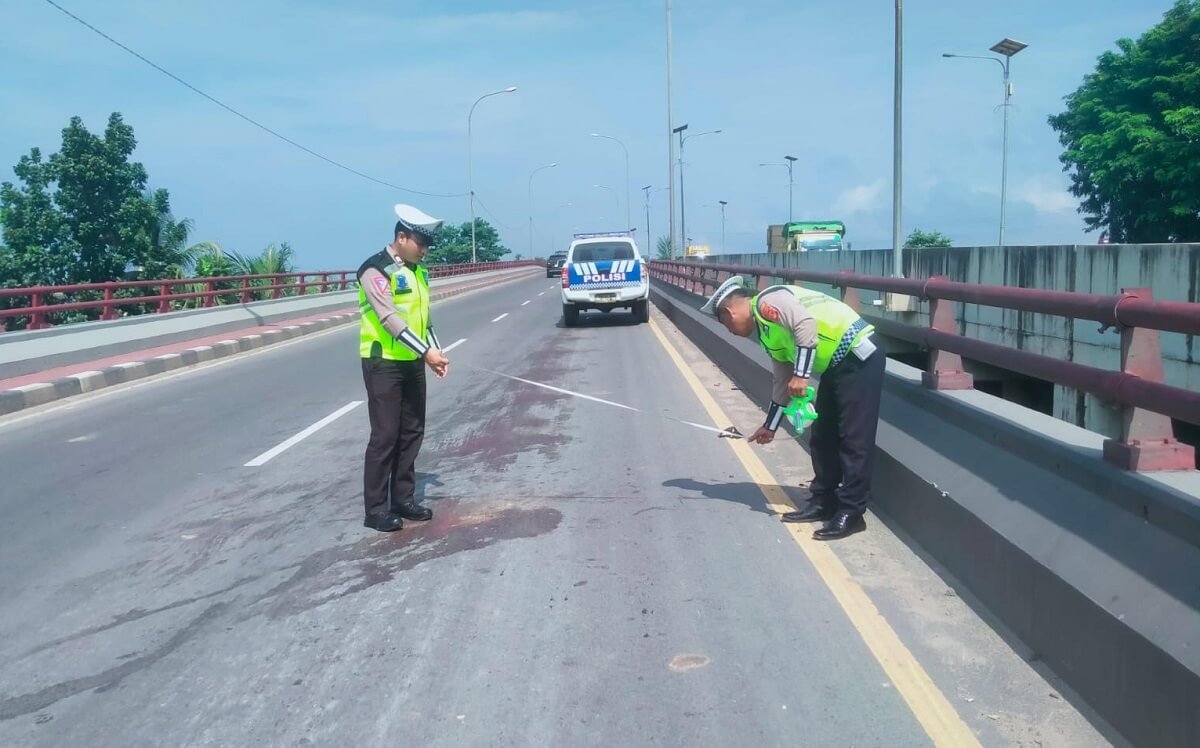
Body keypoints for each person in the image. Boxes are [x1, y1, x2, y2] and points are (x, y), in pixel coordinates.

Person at [701, 275, 885, 540]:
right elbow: (782, 380)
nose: (730, 331)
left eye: (726, 324)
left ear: (729, 312)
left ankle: (852, 512)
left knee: (854, 439)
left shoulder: (766, 303)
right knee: (823, 437)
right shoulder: (767, 331)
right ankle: (823, 501)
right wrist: (770, 426)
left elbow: (806, 325)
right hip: (836, 364)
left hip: (859, 354)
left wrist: (801, 374)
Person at [356, 204, 450, 533]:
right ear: (401, 237)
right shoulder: (375, 270)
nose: (424, 251)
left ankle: (403, 499)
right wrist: (427, 353)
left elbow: (424, 319)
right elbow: (389, 319)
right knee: (385, 435)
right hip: (383, 363)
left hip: (412, 361)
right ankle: (376, 509)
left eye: (427, 246)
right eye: (420, 244)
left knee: (412, 432)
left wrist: (435, 350)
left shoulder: (418, 272)